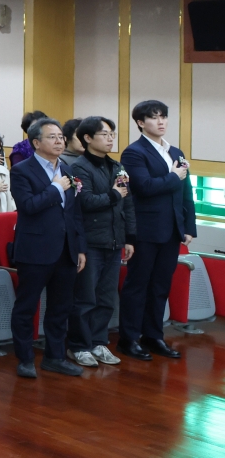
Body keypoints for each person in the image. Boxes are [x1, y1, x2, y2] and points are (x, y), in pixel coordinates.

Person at [8, 117, 88, 379]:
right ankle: (25, 359)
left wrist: (80, 248)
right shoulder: (22, 171)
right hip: (35, 249)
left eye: (61, 137)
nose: (59, 141)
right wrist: (55, 188)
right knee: (26, 307)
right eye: (52, 137)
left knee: (61, 307)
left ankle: (55, 357)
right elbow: (28, 206)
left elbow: (74, 214)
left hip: (66, 249)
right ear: (36, 142)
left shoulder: (66, 169)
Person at [119, 99, 194, 361]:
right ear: (141, 123)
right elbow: (144, 187)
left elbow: (186, 192)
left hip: (172, 230)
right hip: (145, 229)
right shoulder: (134, 152)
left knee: (161, 285)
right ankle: (129, 338)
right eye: (154, 117)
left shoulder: (176, 151)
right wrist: (173, 177)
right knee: (138, 285)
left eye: (163, 116)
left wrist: (189, 226)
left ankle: (153, 336)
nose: (161, 121)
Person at [67, 117, 134, 367]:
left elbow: (128, 204)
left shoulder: (116, 166)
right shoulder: (79, 167)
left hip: (114, 240)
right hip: (91, 242)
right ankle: (78, 345)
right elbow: (85, 202)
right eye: (104, 134)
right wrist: (114, 194)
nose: (110, 139)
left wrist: (129, 238)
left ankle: (98, 342)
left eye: (112, 134)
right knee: (85, 298)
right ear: (87, 138)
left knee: (106, 298)